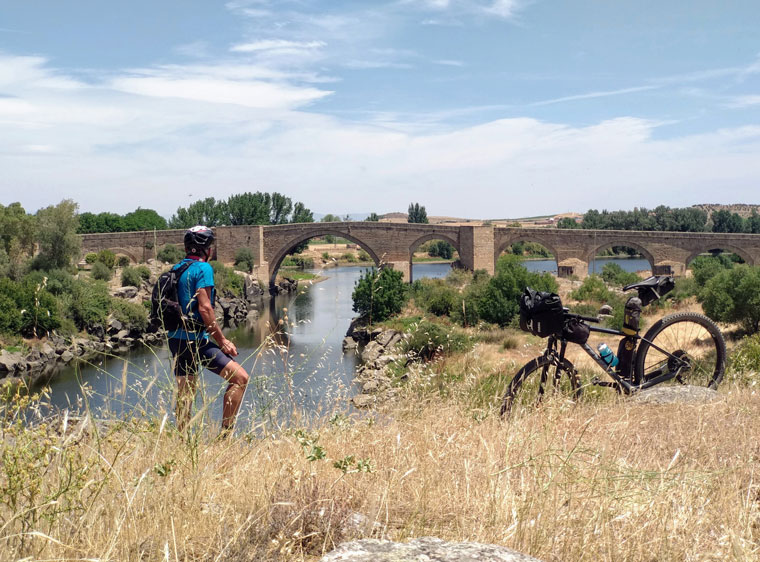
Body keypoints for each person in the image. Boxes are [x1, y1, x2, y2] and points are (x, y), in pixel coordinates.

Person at [168, 225, 249, 435]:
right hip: (197, 341)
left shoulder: (176, 269)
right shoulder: (203, 269)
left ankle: (182, 441)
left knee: (186, 395)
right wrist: (223, 341)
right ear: (208, 250)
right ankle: (225, 436)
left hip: (176, 339)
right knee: (240, 379)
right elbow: (205, 308)